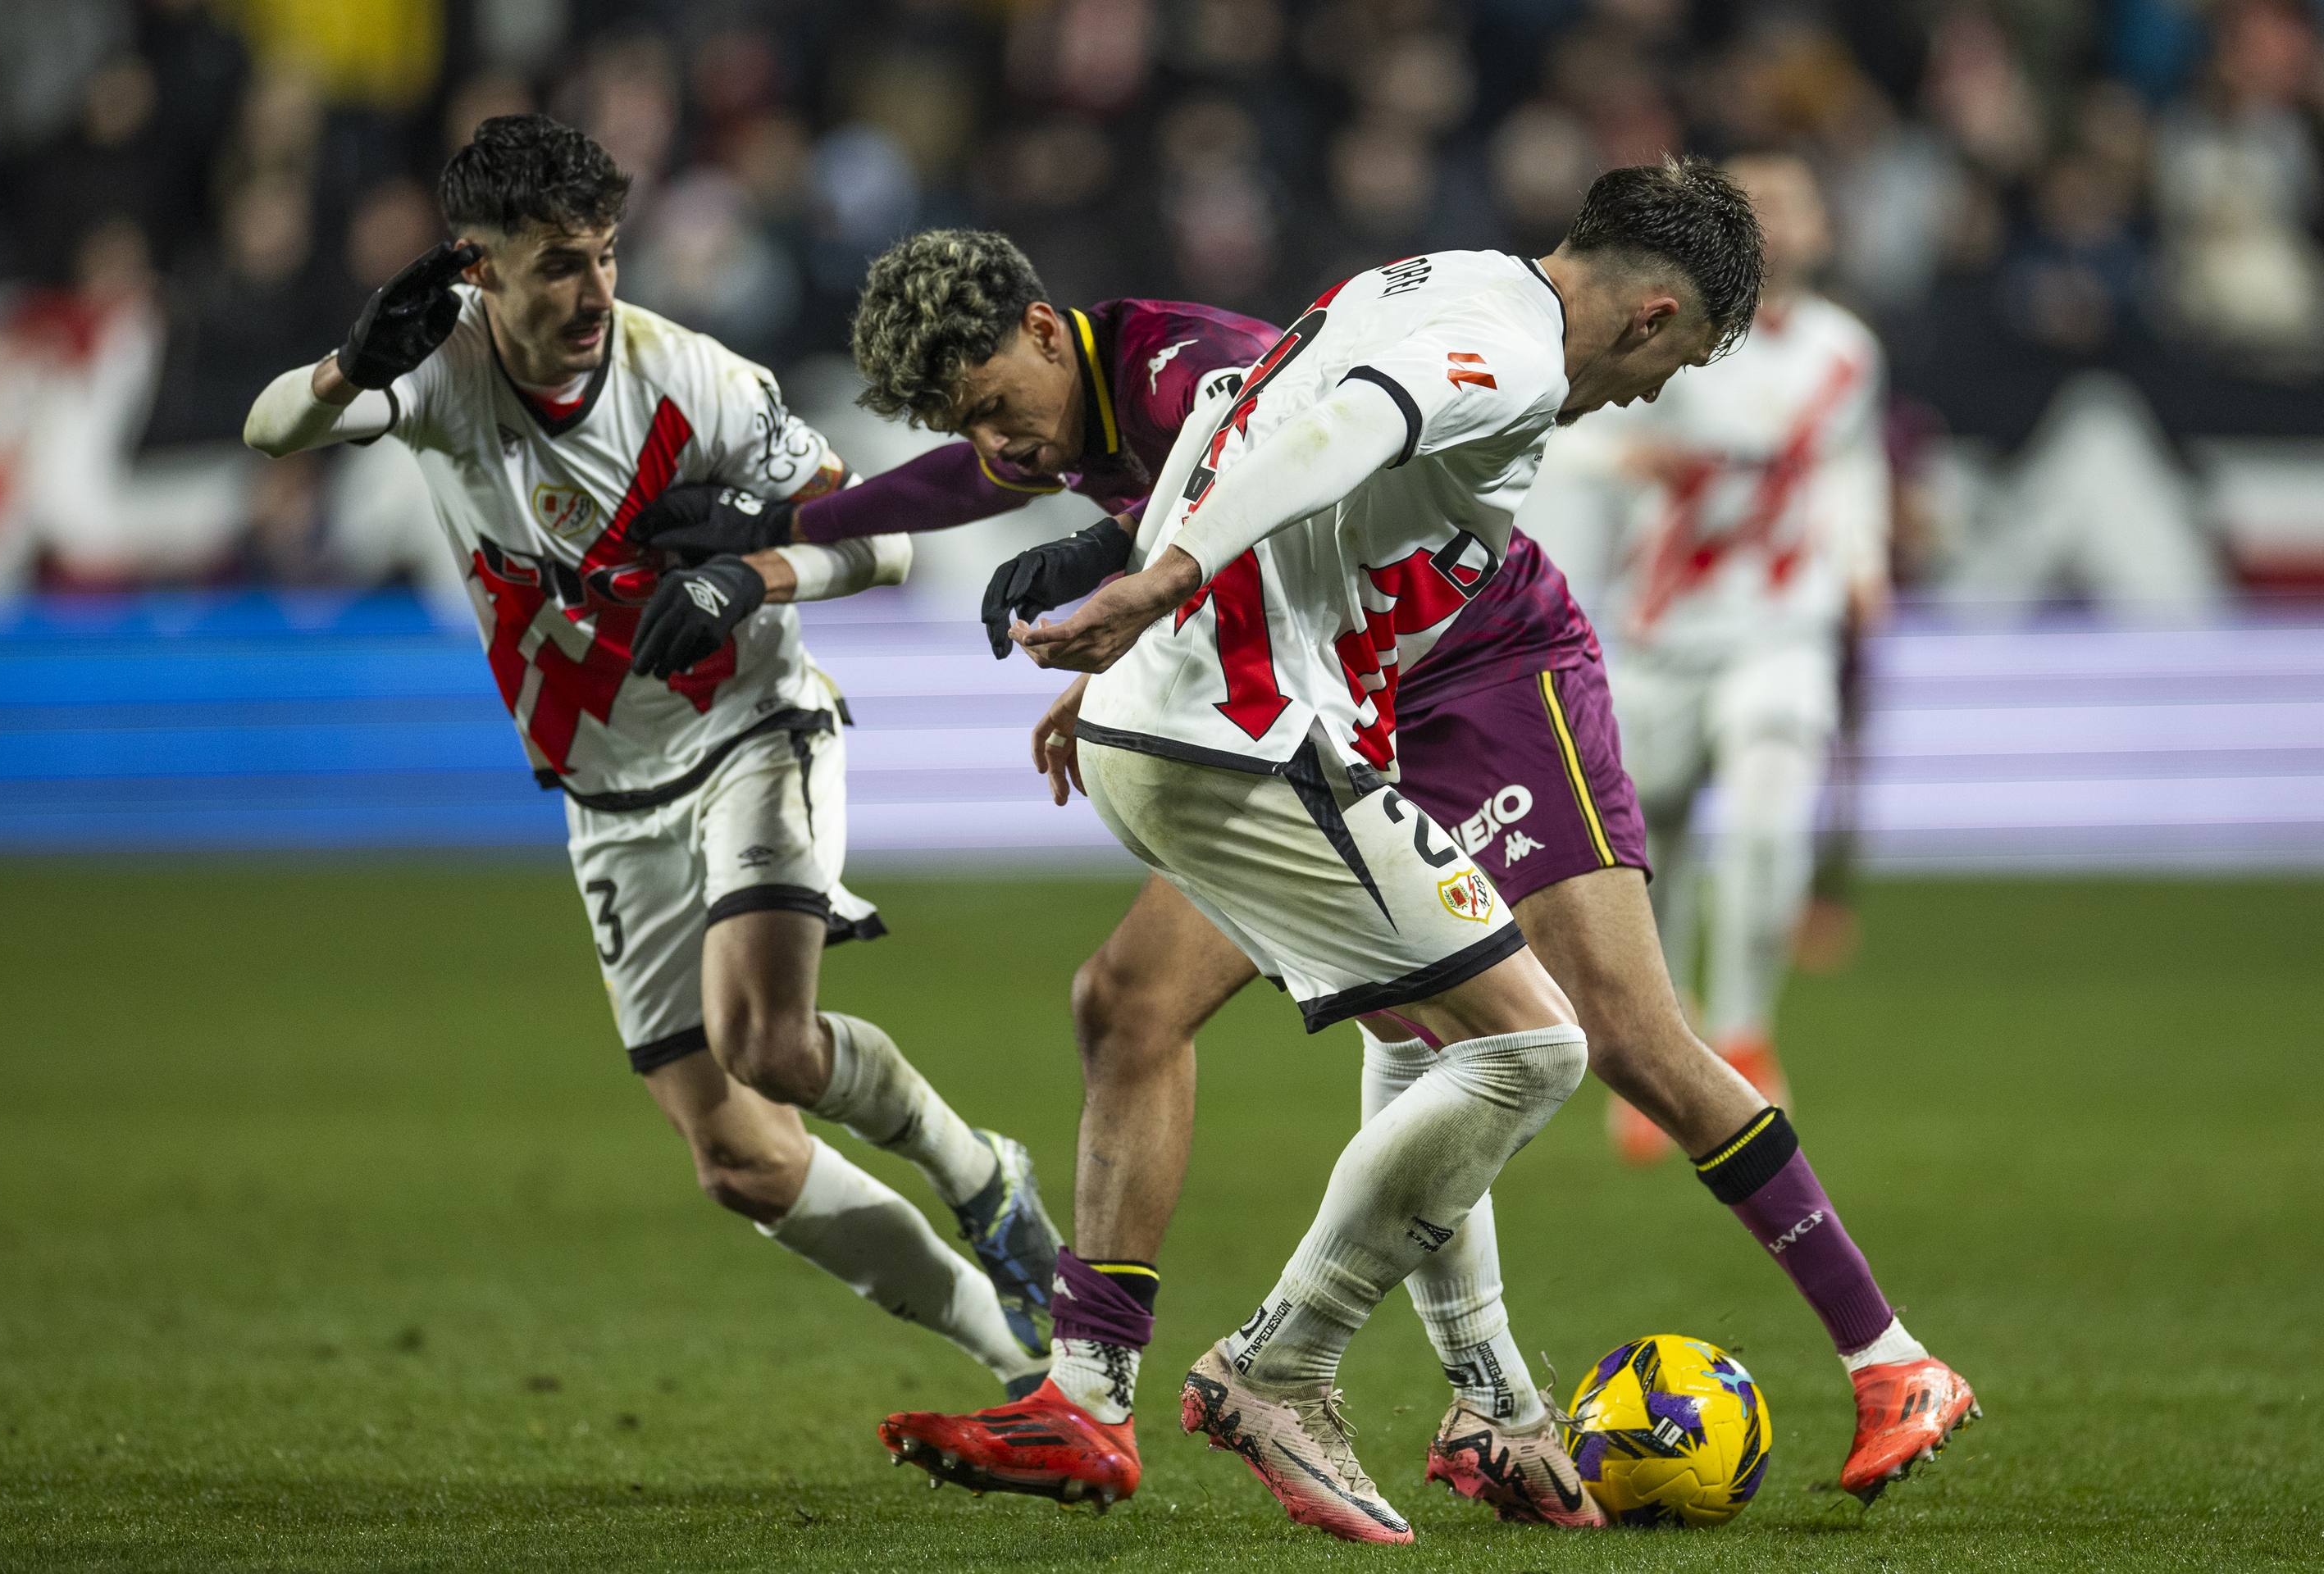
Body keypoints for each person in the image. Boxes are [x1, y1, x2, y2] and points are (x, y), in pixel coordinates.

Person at [858, 173, 1971, 1540]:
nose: (1654, 392)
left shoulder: (1443, 280)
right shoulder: (1503, 351)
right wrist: (1156, 585)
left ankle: (1815, 1365)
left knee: (1508, 1023)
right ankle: (1288, 1375)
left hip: (1383, 683)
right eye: (1676, 362)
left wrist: (1148, 594)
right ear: (1659, 312)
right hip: (1344, 701)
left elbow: (1247, 412)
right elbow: (1339, 429)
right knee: (1530, 1036)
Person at [239, 114, 1060, 1400]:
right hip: (606, 792)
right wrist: (348, 367)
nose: (593, 290)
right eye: (558, 263)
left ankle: (980, 1172)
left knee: (768, 1043)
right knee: (740, 1158)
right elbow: (272, 433)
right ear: (479, 267)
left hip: (750, 729)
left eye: (606, 254)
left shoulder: (698, 383)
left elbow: (887, 542)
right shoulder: (437, 372)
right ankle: (1013, 1352)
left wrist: (751, 570)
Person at [1546, 155, 1892, 1163]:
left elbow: (1848, 465)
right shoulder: (1662, 326)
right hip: (1661, 634)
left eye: (1796, 204)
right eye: (1759, 208)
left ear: (1825, 228)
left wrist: (1864, 560)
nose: (1781, 225)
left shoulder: (1845, 352)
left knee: (1773, 819)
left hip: (1783, 626)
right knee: (1653, 853)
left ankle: (1743, 1030)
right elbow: (1555, 433)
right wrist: (1629, 460)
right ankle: (1661, 1046)